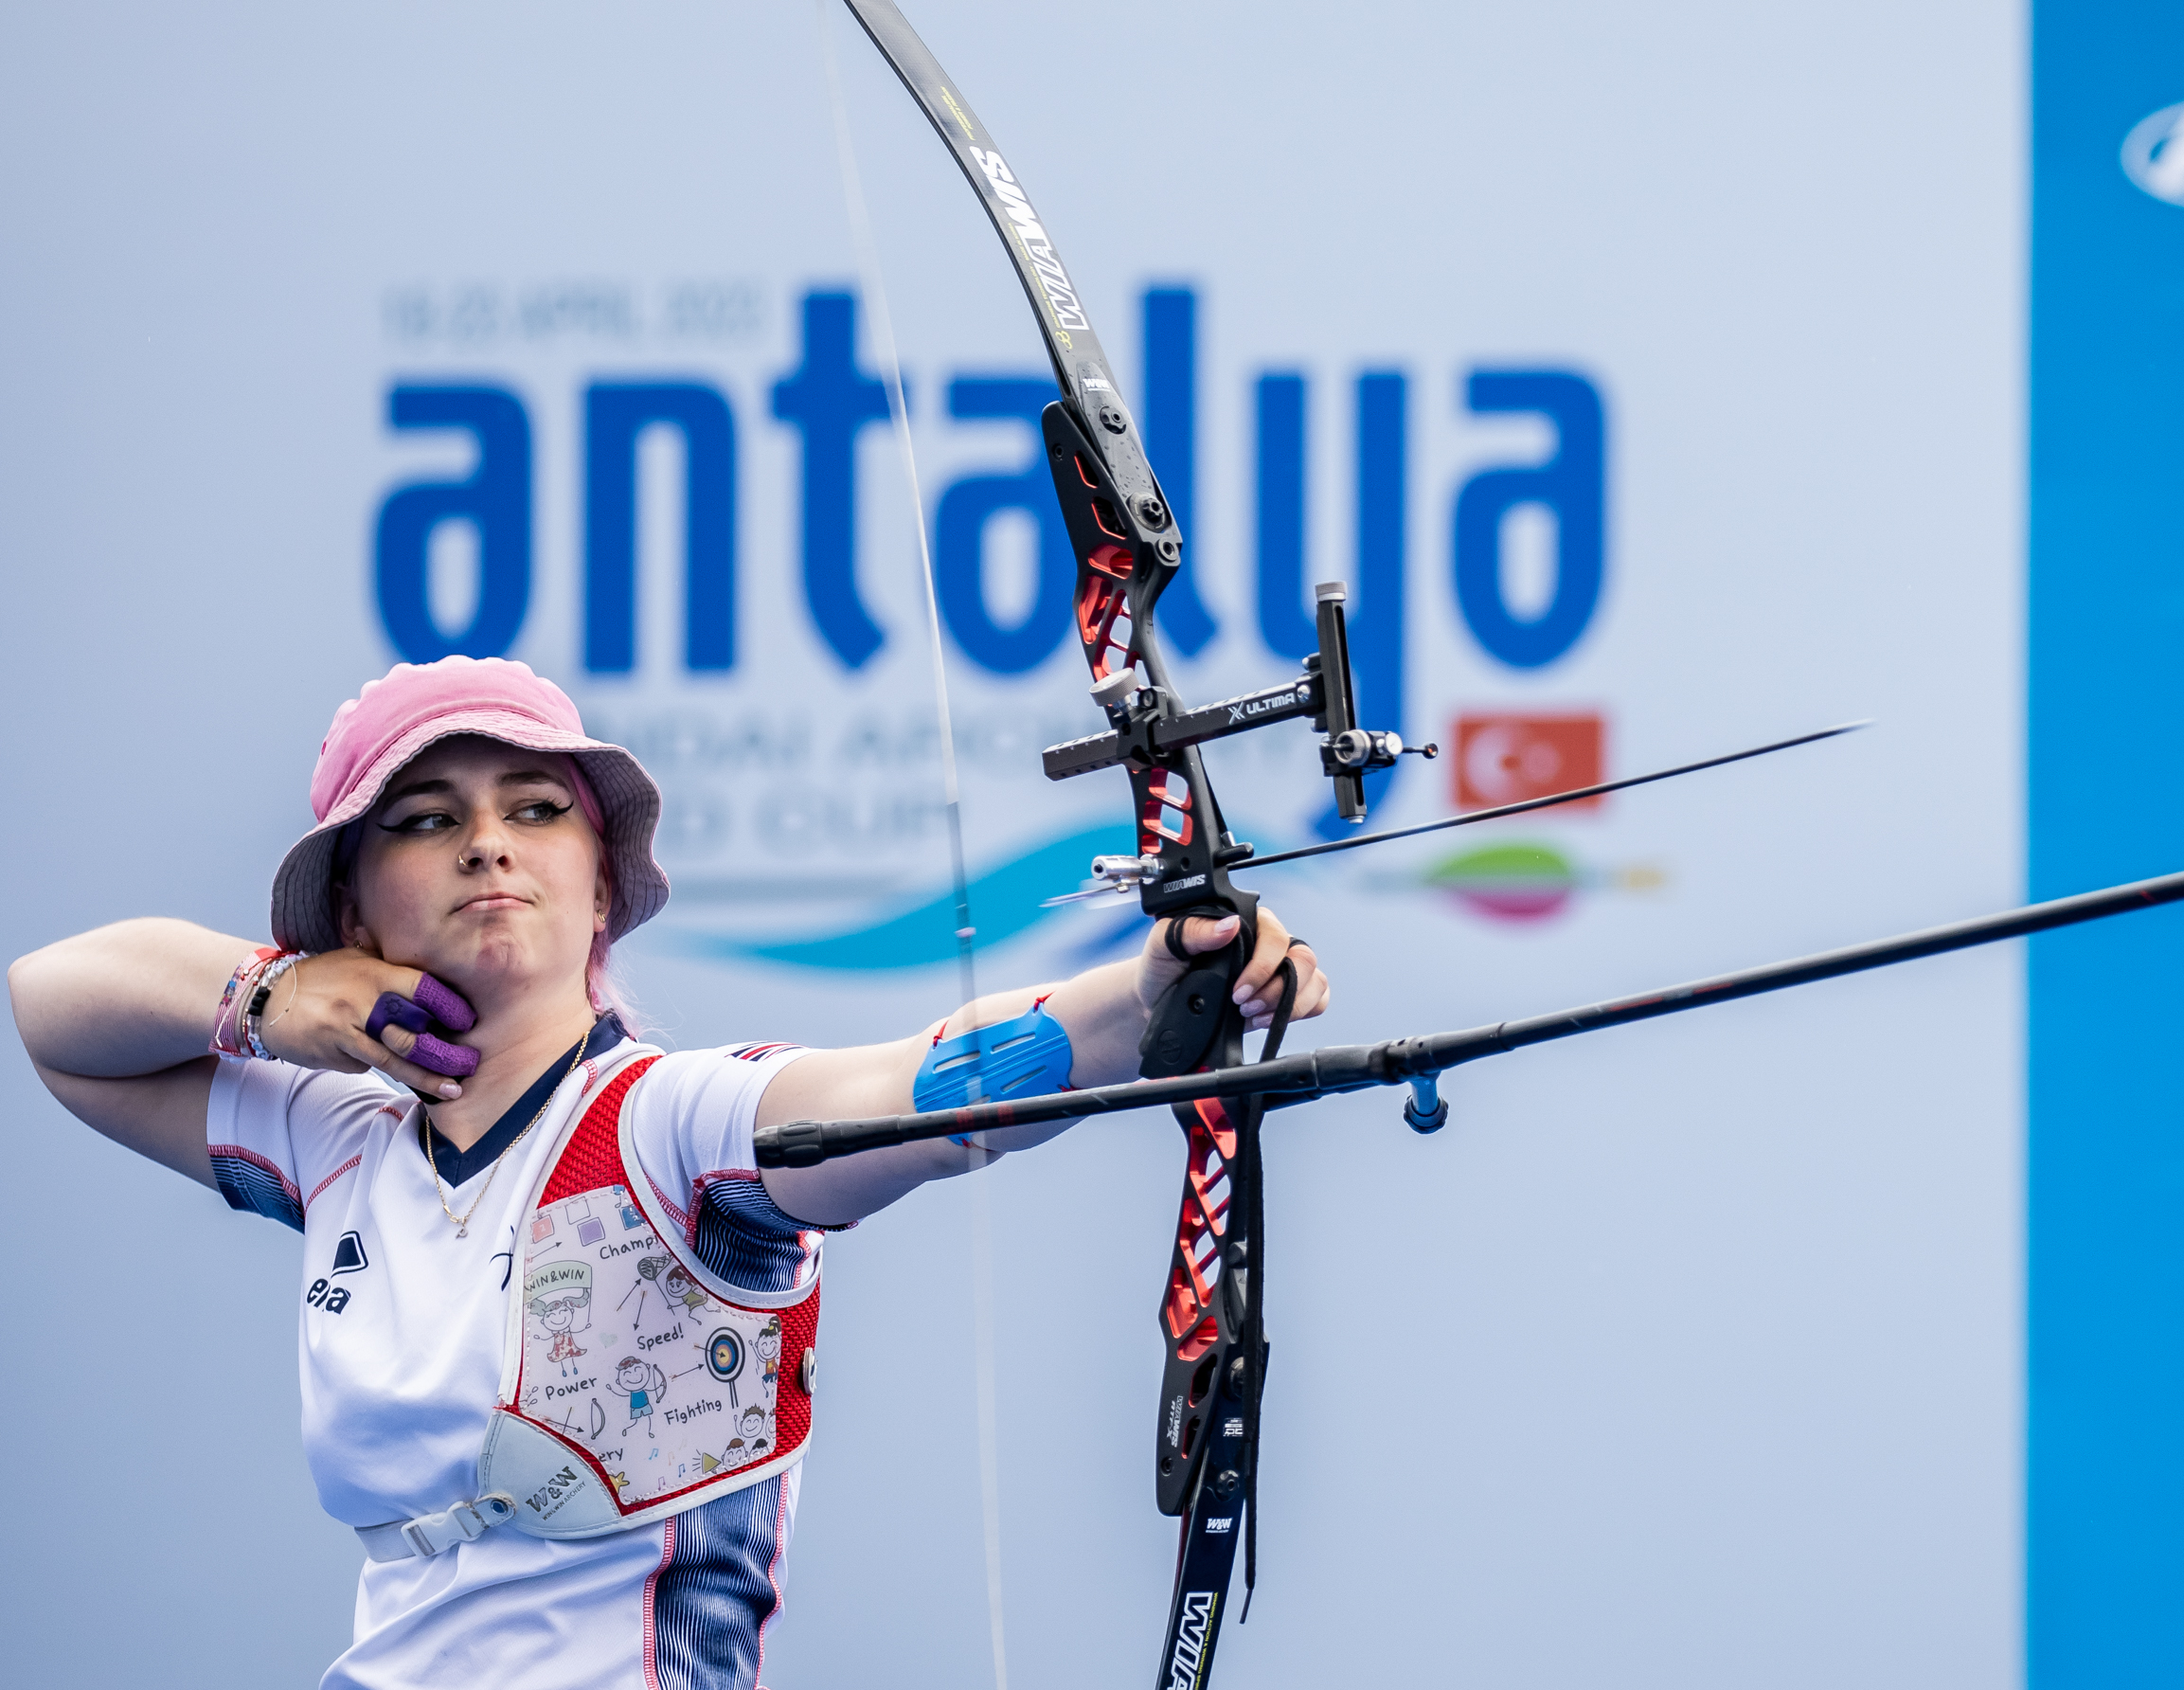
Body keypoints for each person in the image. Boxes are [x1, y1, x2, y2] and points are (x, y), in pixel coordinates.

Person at [7, 656, 1324, 1690]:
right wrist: (275, 993)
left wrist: (1153, 988)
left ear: (601, 886)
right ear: (359, 910)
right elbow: (54, 1017)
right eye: (427, 820)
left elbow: (916, 1090)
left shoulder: (672, 1127)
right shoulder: (338, 1139)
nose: (488, 844)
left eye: (535, 809)